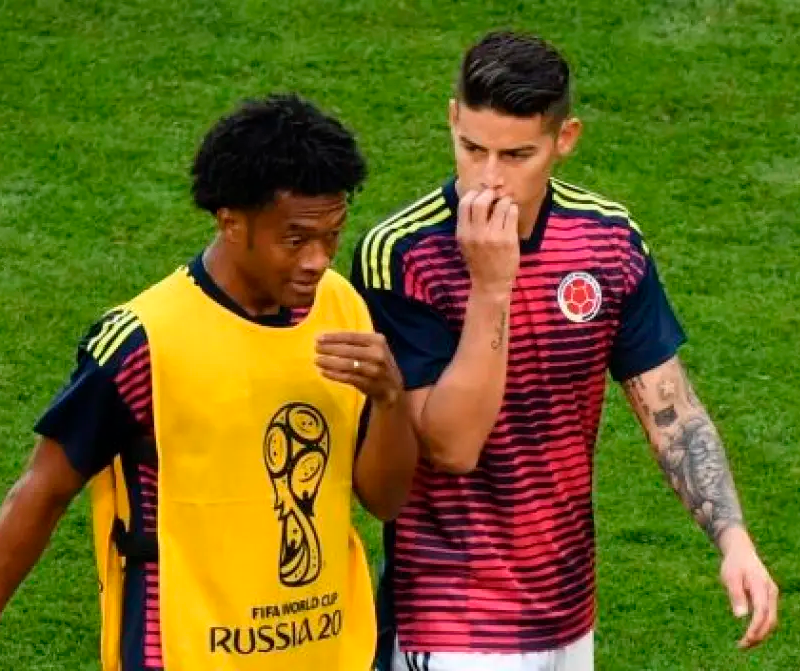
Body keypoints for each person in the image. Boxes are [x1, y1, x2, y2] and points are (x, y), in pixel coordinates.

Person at [351, 31, 779, 671]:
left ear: (565, 140)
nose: (489, 178)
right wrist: (492, 287)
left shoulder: (606, 240)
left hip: (568, 609)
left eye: (517, 154)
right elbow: (452, 447)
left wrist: (734, 538)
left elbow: (673, 413)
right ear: (451, 121)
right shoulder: (401, 256)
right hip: (452, 617)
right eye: (472, 148)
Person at [0, 94, 417, 671]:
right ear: (230, 220)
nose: (318, 260)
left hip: (328, 650)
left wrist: (390, 400)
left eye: (332, 235)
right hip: (183, 650)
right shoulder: (144, 341)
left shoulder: (342, 307)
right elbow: (41, 491)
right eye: (295, 239)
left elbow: (385, 497)